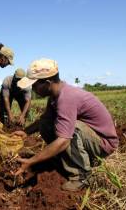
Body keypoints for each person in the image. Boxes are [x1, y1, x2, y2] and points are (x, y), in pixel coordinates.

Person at [12, 58, 119, 191]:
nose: (33, 89)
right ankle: (66, 158)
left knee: (71, 130)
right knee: (46, 122)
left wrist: (31, 161)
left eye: (34, 85)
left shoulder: (66, 98)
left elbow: (64, 140)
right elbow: (44, 119)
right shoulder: (55, 95)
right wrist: (26, 132)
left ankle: (82, 175)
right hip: (89, 137)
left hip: (104, 144)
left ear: (47, 83)